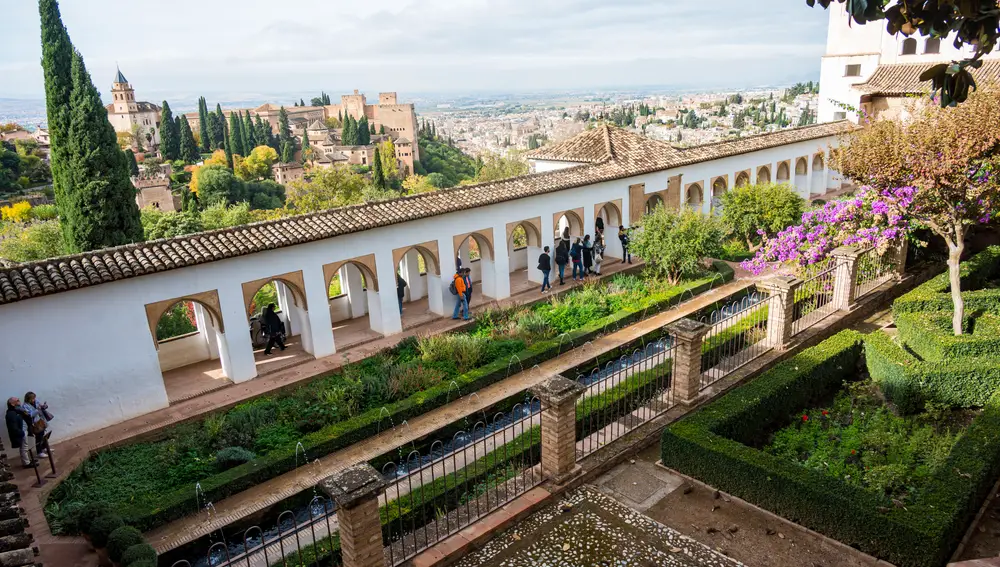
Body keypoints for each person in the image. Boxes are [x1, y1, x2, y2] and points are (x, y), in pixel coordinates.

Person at [21, 392, 50, 459]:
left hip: (40, 420)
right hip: (34, 423)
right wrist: (37, 410)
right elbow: (30, 415)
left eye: (34, 398)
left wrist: (44, 406)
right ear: (29, 399)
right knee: (38, 437)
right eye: (33, 398)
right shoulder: (25, 406)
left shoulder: (36, 401)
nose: (34, 399)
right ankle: (39, 452)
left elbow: (40, 406)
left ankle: (44, 448)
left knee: (43, 435)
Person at [5, 397, 32, 467]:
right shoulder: (11, 413)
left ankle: (27, 461)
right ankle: (26, 463)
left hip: (23, 431)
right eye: (17, 401)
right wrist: (21, 433)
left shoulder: (16, 411)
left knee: (25, 447)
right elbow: (13, 427)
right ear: (12, 404)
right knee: (24, 448)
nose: (19, 402)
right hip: (21, 433)